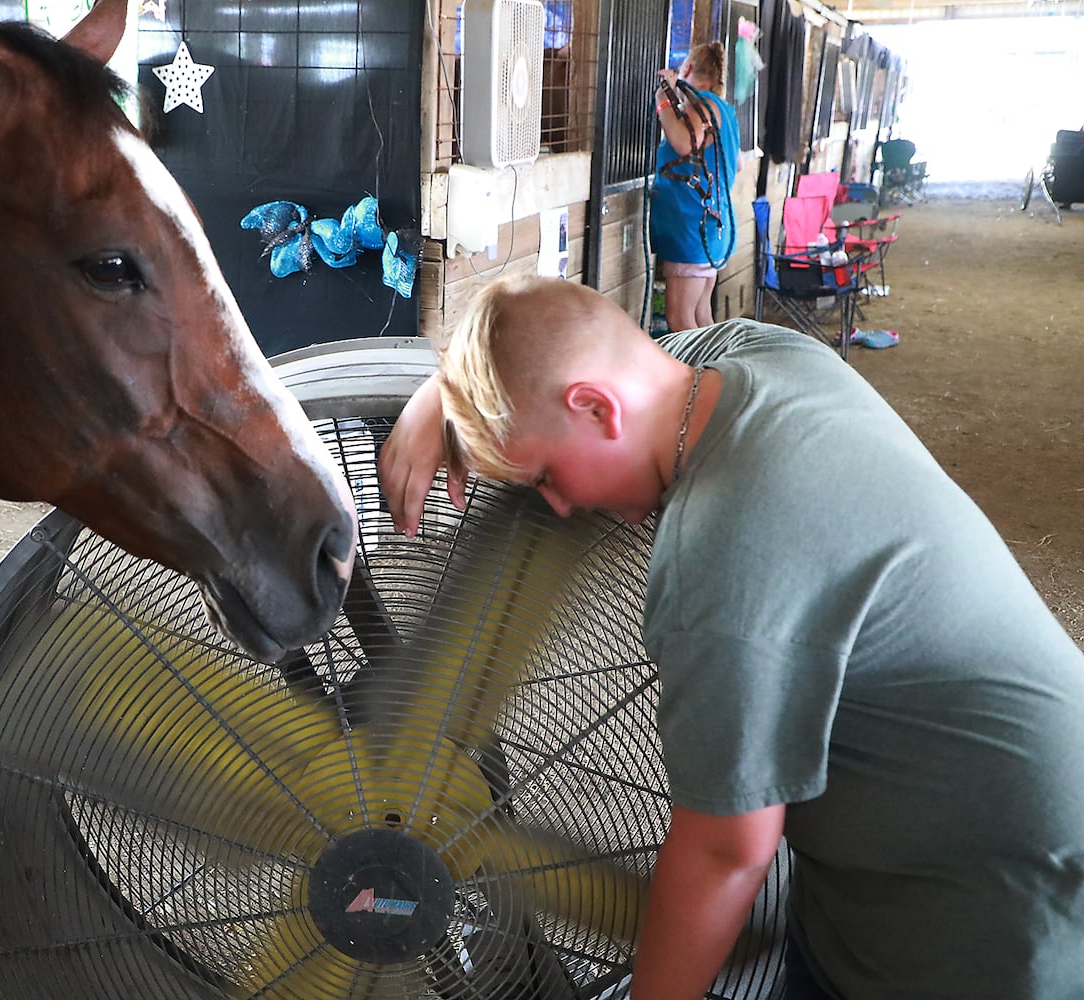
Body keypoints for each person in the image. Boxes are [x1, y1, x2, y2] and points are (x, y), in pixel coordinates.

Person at [378, 273, 1084, 999]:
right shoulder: (759, 352)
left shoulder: (719, 560)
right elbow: (581, 349)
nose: (557, 505)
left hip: (989, 915)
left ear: (595, 407)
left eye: (546, 476)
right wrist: (448, 389)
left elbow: (725, 852)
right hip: (969, 824)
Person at [650, 43, 740, 333]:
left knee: (680, 320)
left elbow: (683, 142)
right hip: (710, 228)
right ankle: (717, 374)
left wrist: (664, 98)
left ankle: (696, 379)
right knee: (702, 319)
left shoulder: (703, 105)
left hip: (691, 229)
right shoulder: (724, 110)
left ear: (687, 69)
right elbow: (736, 164)